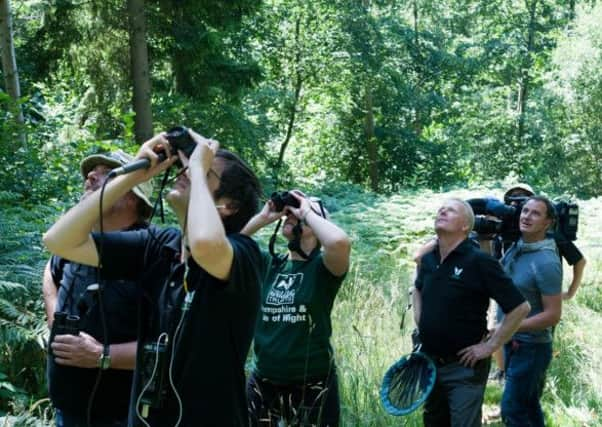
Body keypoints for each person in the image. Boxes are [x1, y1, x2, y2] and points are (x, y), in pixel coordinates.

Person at [43, 130, 263, 427]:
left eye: (204, 171)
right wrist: (133, 176)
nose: (186, 172)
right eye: (186, 167)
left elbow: (206, 246)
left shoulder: (244, 254)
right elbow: (60, 241)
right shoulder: (160, 246)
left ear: (229, 206)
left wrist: (197, 168)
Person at [43, 150, 154, 427]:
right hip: (67, 411)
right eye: (90, 173)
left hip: (123, 416)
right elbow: (50, 272)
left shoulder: (154, 253)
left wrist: (103, 356)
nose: (89, 177)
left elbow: (170, 346)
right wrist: (56, 318)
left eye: (106, 173)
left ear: (131, 194)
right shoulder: (76, 244)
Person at [412, 198, 530, 427]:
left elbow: (520, 308)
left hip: (464, 369)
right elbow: (416, 288)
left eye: (451, 210)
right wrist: (421, 322)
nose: (442, 211)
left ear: (466, 225)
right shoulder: (428, 260)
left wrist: (489, 346)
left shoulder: (479, 261)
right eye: (440, 209)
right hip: (429, 364)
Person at [242, 191, 351, 426]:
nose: (292, 214)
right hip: (264, 381)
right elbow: (231, 242)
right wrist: (264, 217)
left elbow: (339, 242)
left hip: (313, 384)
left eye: (303, 212)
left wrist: (307, 212)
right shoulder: (269, 262)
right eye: (290, 212)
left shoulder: (324, 267)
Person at [499, 196, 562, 426]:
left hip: (532, 348)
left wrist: (508, 326)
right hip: (513, 342)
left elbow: (553, 315)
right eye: (525, 211)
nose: (526, 216)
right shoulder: (518, 248)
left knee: (512, 410)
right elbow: (497, 276)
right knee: (528, 406)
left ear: (548, 223)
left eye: (536, 213)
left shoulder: (546, 261)